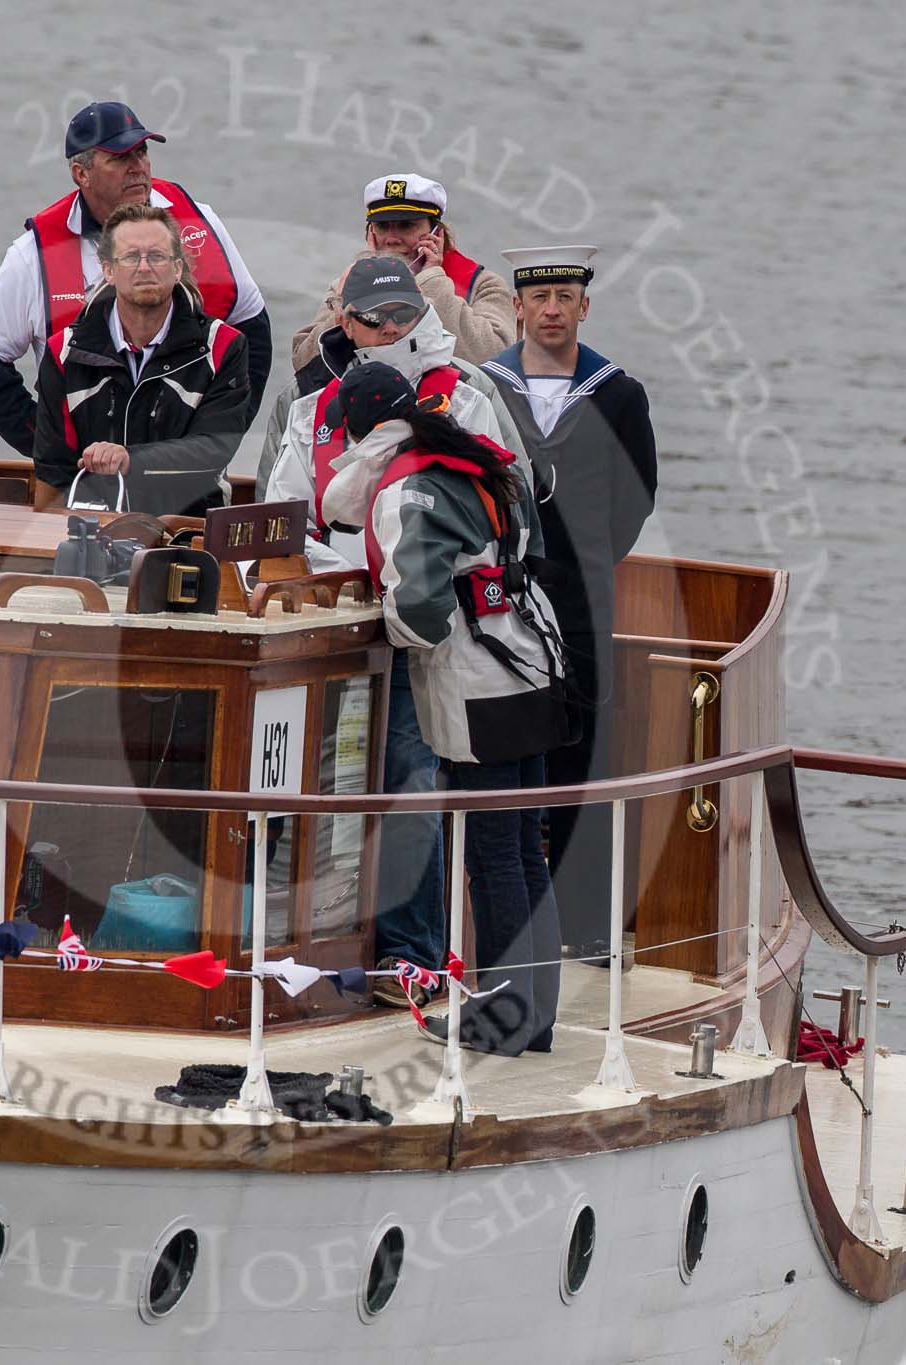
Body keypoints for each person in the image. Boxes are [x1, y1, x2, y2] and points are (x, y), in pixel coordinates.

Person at [256, 256, 522, 1006]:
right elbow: (282, 518)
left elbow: (503, 510)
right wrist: (343, 578)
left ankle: (414, 952)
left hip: (426, 634)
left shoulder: (466, 400)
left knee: (409, 782)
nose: (391, 329)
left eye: (404, 314)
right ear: (346, 323)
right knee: (312, 781)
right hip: (333, 629)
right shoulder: (313, 412)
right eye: (376, 318)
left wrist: (403, 579)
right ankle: (298, 936)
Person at [323, 362, 567, 1055]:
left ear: (359, 430)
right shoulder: (472, 456)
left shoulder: (406, 486)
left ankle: (502, 1020)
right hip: (532, 668)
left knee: (493, 857)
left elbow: (423, 610)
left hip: (480, 683)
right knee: (525, 850)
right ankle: (533, 1017)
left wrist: (384, 630)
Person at [482, 246, 658, 965]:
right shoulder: (486, 388)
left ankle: (586, 928)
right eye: (539, 297)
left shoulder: (619, 395)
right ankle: (519, 927)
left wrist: (587, 557)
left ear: (584, 307)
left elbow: (638, 496)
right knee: (514, 750)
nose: (551, 308)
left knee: (585, 757)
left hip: (583, 597)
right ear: (518, 308)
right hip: (507, 596)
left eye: (564, 296)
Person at [0, 101, 273, 454]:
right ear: (81, 174)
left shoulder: (199, 222)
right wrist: (50, 446)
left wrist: (223, 432)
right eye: (121, 158)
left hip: (187, 471)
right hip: (84, 475)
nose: (138, 167)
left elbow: (252, 325)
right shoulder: (35, 254)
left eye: (141, 152)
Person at [29, 204, 251, 517]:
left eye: (157, 257)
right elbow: (53, 468)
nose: (144, 268)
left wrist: (129, 459)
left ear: (177, 268)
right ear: (107, 270)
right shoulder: (64, 352)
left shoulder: (222, 347)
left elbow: (214, 448)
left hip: (187, 528)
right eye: (131, 257)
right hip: (92, 527)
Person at [290, 174, 516, 371]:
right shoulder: (346, 284)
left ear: (437, 233)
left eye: (406, 226)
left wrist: (432, 282)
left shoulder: (482, 285)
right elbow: (304, 363)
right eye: (382, 226)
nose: (392, 239)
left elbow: (495, 361)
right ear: (370, 231)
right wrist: (350, 296)